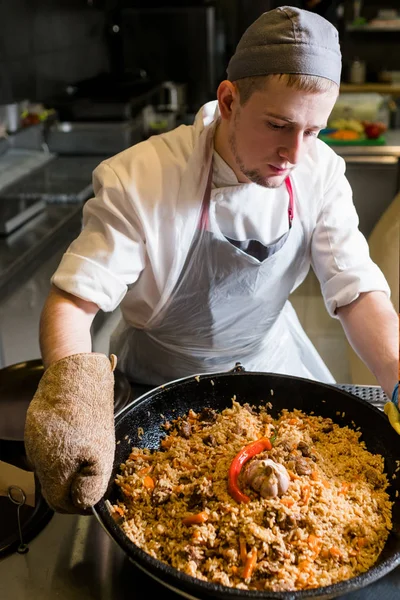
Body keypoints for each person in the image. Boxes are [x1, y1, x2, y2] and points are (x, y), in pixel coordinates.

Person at [25, 6, 399, 514]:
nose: (295, 153)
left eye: (313, 131)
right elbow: (72, 301)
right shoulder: (142, 178)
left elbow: (356, 290)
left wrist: (398, 376)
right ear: (228, 99)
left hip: (271, 369)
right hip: (163, 387)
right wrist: (74, 403)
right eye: (278, 125)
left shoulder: (320, 170)